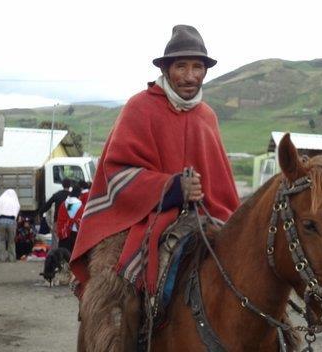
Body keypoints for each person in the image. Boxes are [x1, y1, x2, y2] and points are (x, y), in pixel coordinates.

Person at [70, 25, 240, 349]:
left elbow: (222, 186)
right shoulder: (140, 107)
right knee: (112, 288)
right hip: (140, 219)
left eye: (197, 67)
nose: (190, 76)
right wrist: (171, 187)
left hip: (207, 215)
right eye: (181, 66)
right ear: (165, 69)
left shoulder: (208, 117)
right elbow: (116, 172)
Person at [38, 178, 72, 248]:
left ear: (62, 185)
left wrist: (40, 213)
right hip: (69, 222)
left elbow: (47, 205)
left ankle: (56, 256)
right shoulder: (72, 196)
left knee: (55, 241)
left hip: (58, 221)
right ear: (70, 185)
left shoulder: (57, 195)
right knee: (67, 240)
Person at [0, 189, 20, 262]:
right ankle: (12, 258)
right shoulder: (15, 201)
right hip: (12, 221)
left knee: (0, 240)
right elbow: (17, 210)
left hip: (1, 221)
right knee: (11, 241)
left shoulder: (1, 200)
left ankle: (2, 258)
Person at [56, 186, 84, 253]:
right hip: (75, 233)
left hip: (65, 232)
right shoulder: (79, 204)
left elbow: (67, 215)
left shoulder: (65, 203)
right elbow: (81, 219)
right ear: (79, 194)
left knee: (64, 254)